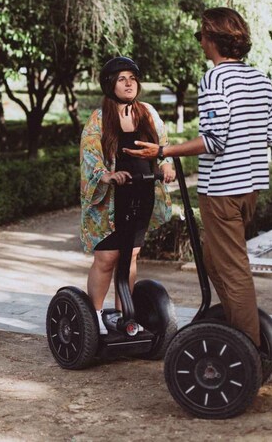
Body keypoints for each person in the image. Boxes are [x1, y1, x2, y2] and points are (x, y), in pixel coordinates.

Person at [124, 8, 272, 347]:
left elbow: (213, 140)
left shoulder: (215, 79)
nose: (200, 43)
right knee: (212, 258)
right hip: (250, 187)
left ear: (213, 39)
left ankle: (247, 349)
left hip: (223, 189)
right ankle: (235, 323)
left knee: (231, 270)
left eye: (202, 36)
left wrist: (162, 152)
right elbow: (271, 134)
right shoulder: (261, 79)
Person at [80, 57, 175, 335]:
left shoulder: (147, 112)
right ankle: (95, 318)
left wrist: (166, 164)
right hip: (110, 200)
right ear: (110, 85)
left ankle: (124, 315)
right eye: (122, 79)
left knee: (130, 256)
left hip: (141, 191)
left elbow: (163, 145)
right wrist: (106, 175)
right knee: (107, 258)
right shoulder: (99, 118)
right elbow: (89, 155)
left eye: (132, 78)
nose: (129, 83)